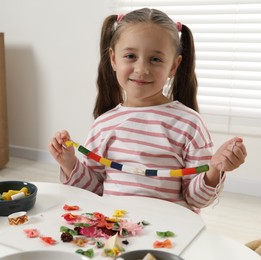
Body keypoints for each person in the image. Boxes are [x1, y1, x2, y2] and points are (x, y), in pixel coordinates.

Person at [49, 8, 247, 213]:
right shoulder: (103, 125)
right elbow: (94, 190)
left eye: (155, 59)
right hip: (115, 232)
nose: (141, 69)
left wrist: (215, 169)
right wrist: (70, 163)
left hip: (170, 234)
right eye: (130, 56)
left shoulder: (189, 124)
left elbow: (197, 200)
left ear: (173, 66)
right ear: (114, 59)